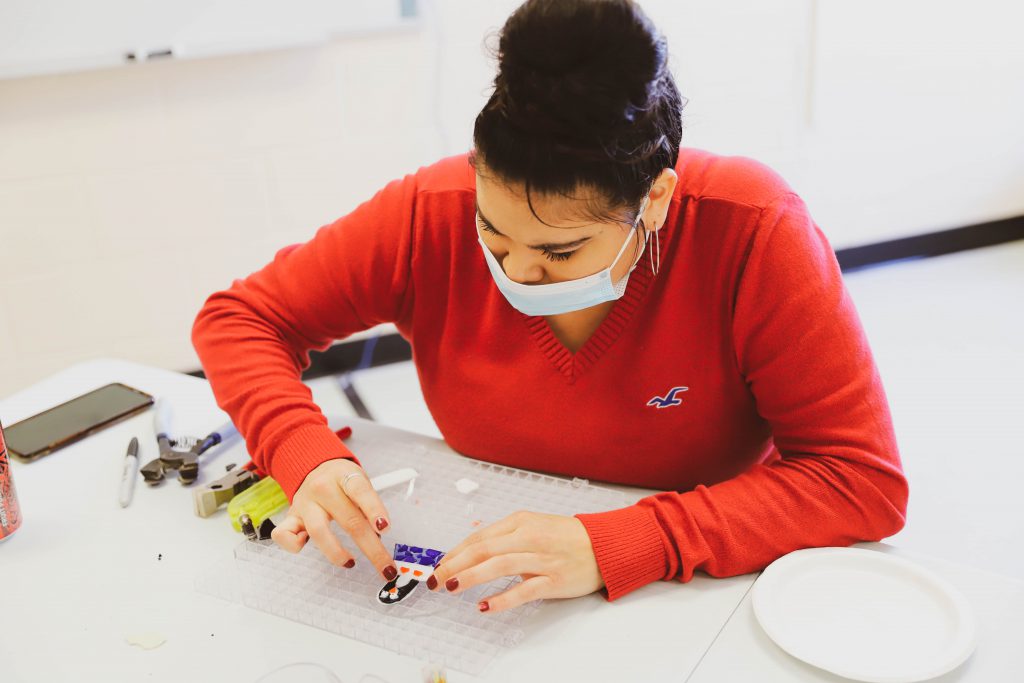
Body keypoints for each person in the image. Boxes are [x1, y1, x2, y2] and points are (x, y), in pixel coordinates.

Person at [192, 0, 907, 615]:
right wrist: (300, 449)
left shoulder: (755, 231)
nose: (521, 274)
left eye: (561, 252)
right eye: (495, 237)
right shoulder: (428, 214)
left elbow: (860, 479)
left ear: (654, 201)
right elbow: (239, 318)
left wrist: (625, 541)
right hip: (496, 575)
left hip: (702, 585)